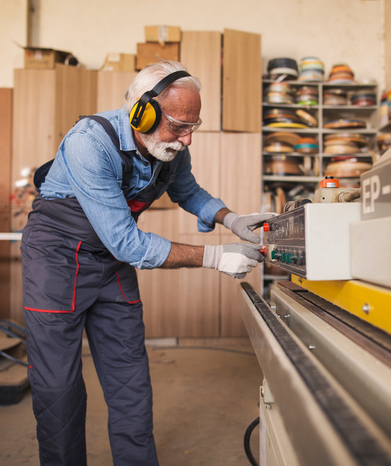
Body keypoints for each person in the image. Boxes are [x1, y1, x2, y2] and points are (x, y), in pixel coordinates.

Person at [20, 59, 273, 466]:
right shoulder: (90, 142)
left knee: (130, 379)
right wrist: (215, 257)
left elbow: (187, 191)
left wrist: (233, 219)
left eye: (193, 127)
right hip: (57, 260)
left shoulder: (170, 147)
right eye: (178, 126)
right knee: (58, 389)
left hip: (110, 262)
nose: (186, 140)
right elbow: (127, 243)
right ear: (143, 111)